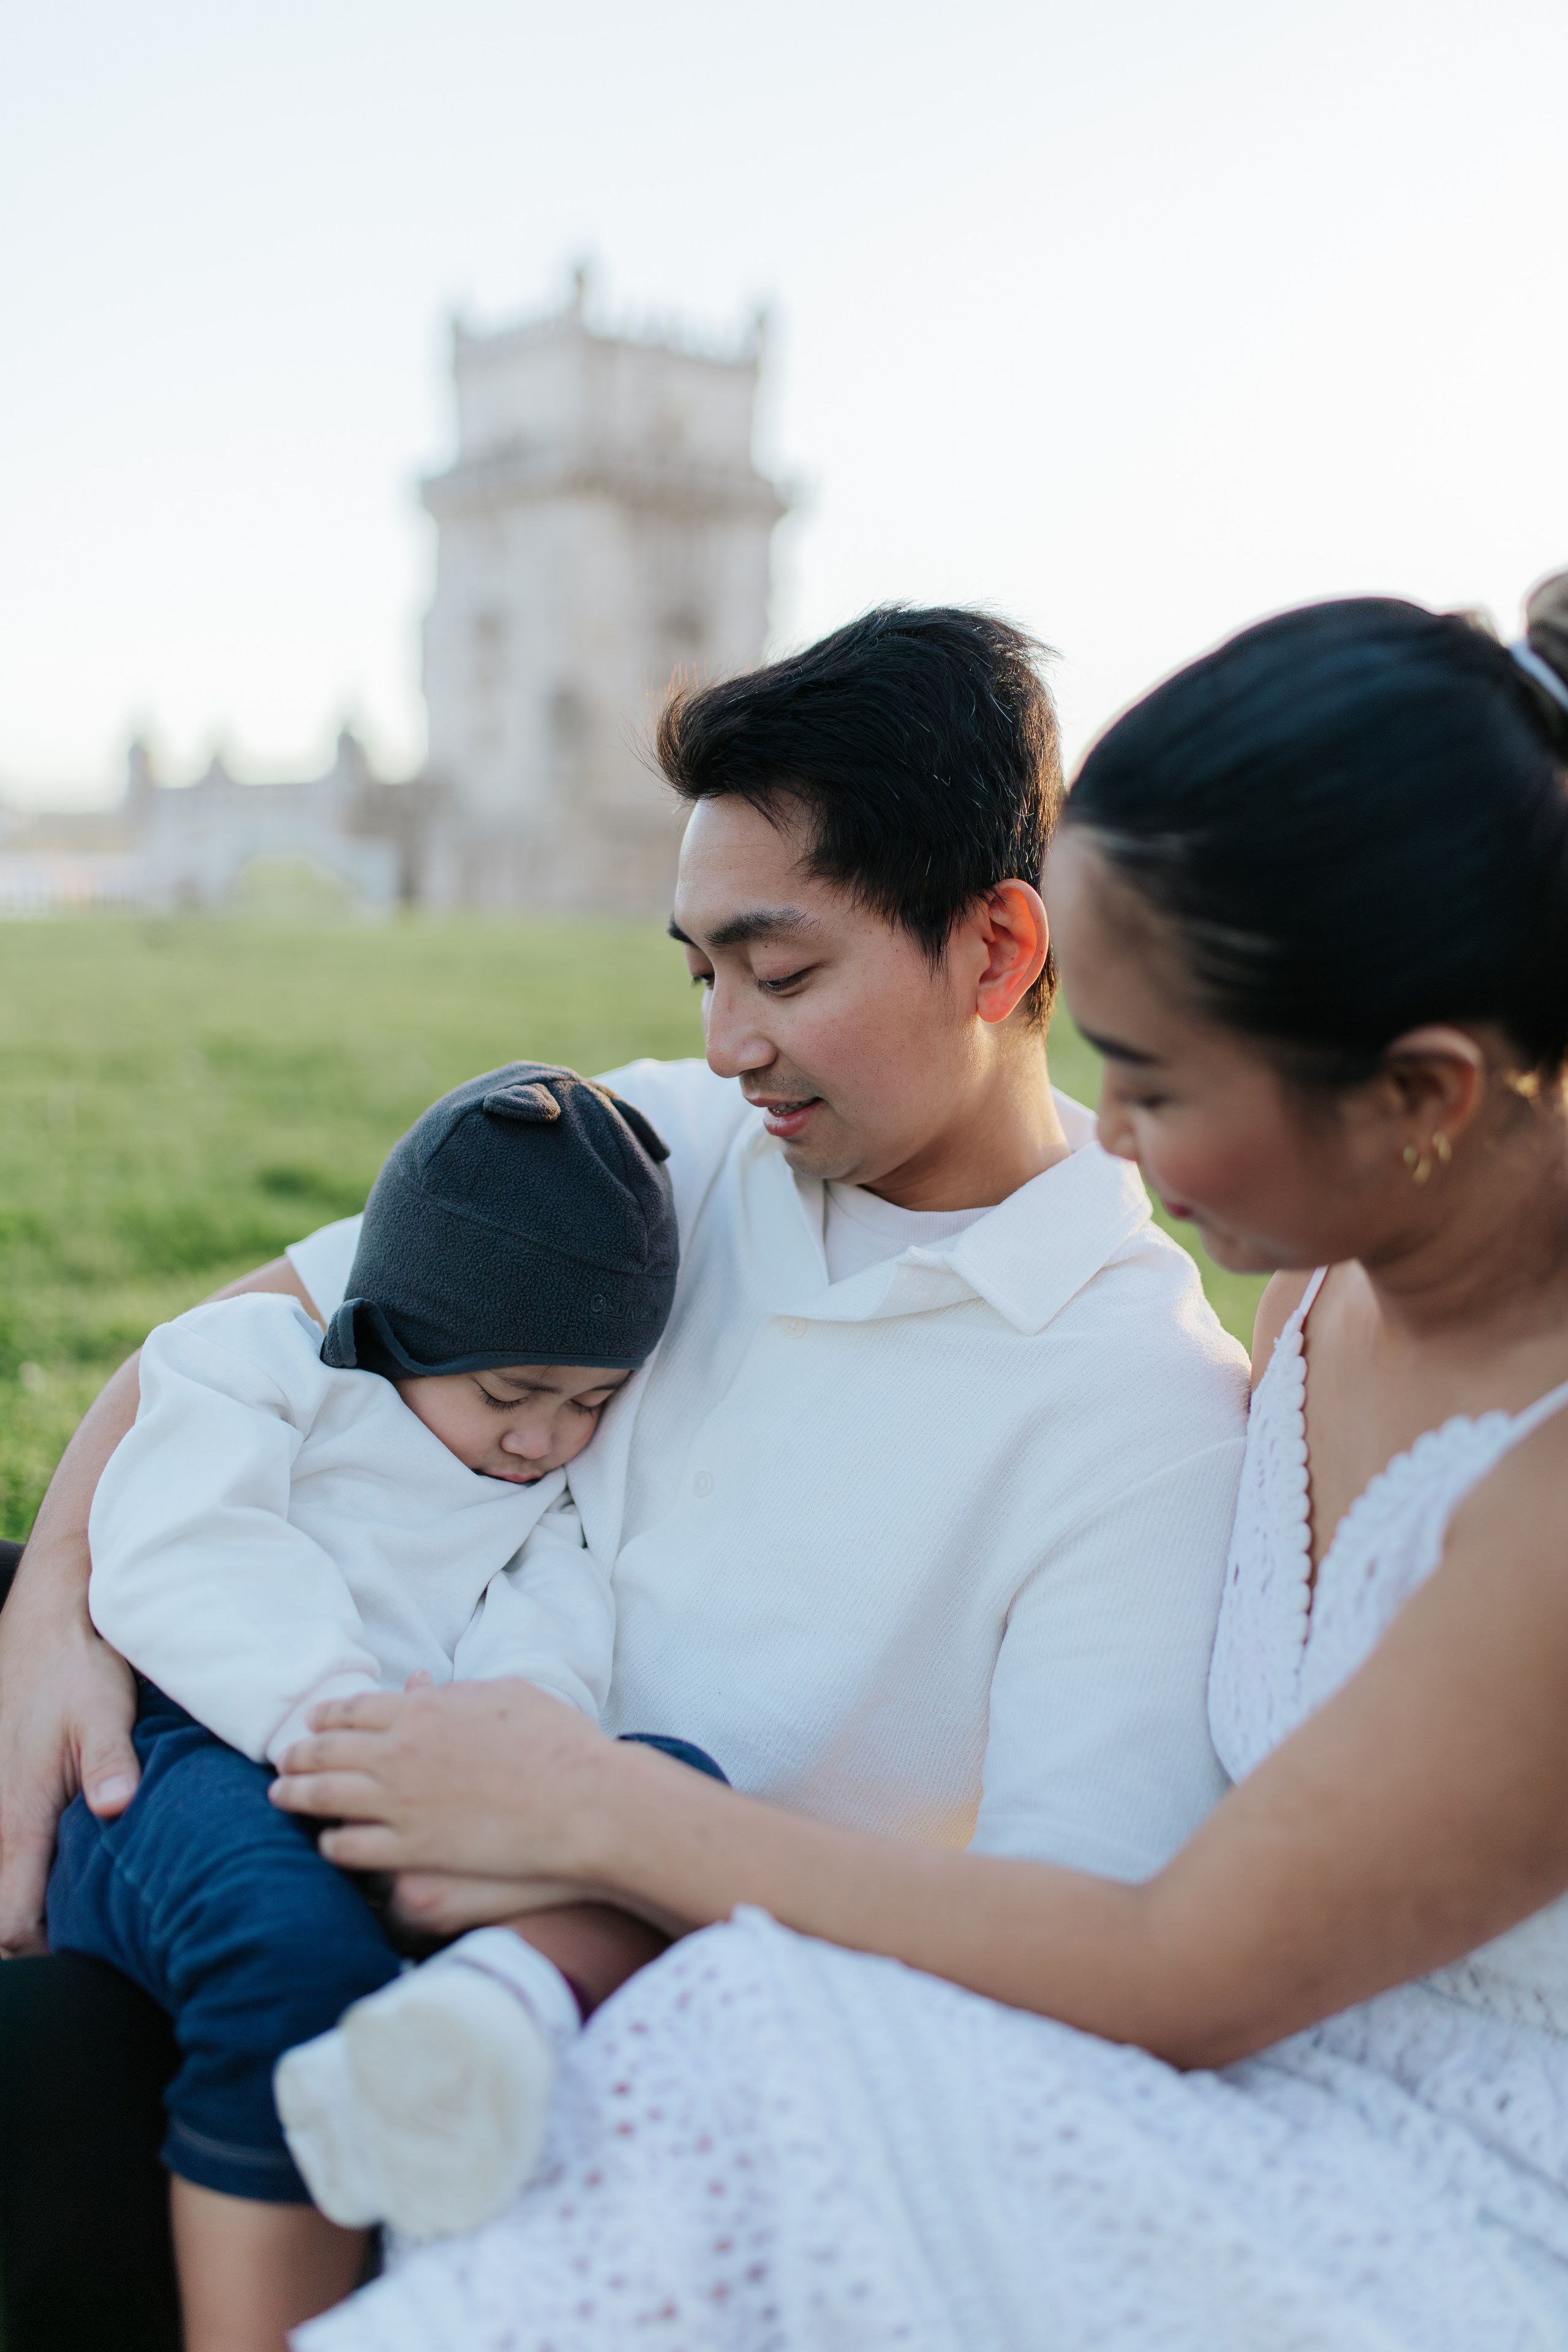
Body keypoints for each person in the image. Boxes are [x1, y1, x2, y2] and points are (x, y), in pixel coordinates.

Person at [273, 575, 1568, 2352]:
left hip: (1415, 2195)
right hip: (1173, 2057)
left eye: (1164, 1080)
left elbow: (1160, 1965)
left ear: (1421, 1098)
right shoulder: (1322, 1304)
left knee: (714, 2084)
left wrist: (595, 1808)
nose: (1111, 1130)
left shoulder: (1333, 1448)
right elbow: (293, 1317)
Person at [0, 608, 1248, 2348]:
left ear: (996, 947)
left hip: (582, 1984)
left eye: (784, 971)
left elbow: (1076, 1945)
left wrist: (591, 1819)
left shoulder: (1148, 1409)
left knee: (63, 2075)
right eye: (702, 973)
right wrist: (53, 1613)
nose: (730, 1040)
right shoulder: (679, 1143)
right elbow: (258, 1332)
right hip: (317, 1723)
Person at [47, 1063, 699, 2345]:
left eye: (590, 1405)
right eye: (511, 1398)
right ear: (396, 1325)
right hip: (196, 1746)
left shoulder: (542, 1476)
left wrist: (515, 1761)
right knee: (287, 1957)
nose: (547, 1442)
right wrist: (341, 1727)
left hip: (416, 1777)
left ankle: (470, 2028)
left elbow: (550, 1622)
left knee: (675, 1789)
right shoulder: (254, 1366)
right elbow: (186, 1558)